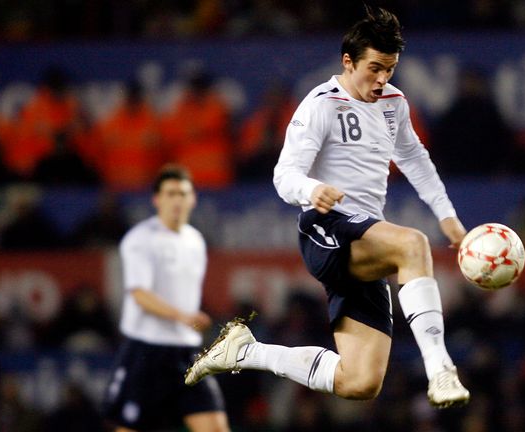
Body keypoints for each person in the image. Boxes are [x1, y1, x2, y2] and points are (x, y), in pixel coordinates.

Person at [185, 5, 470, 408]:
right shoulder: (321, 104)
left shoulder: (394, 103)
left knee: (360, 381)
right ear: (348, 61)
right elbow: (284, 175)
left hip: (364, 234)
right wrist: (311, 189)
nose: (382, 78)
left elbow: (416, 160)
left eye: (390, 68)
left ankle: (246, 352)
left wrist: (448, 215)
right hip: (326, 230)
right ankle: (441, 370)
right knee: (413, 245)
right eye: (374, 67)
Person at [102, 165, 230, 431]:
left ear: (193, 199)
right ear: (157, 199)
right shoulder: (141, 239)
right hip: (147, 352)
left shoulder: (195, 240)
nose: (177, 200)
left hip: (186, 352)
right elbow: (139, 294)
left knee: (216, 427)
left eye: (183, 194)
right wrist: (182, 317)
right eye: (170, 193)